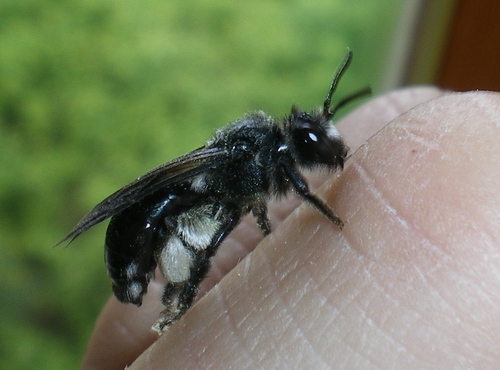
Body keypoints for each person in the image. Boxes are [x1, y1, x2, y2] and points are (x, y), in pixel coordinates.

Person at [81, 87, 500, 369]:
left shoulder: (266, 159)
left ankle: (175, 296)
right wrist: (328, 213)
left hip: (172, 209)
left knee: (210, 235)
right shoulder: (258, 153)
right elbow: (225, 224)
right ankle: (176, 299)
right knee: (205, 240)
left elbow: (249, 204)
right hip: (144, 220)